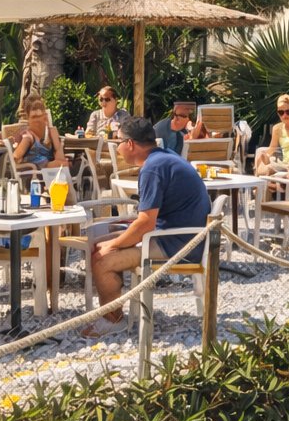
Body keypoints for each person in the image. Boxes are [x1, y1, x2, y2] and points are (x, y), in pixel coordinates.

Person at [82, 115, 209, 338]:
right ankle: (113, 308)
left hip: (178, 245)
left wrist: (113, 245)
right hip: (182, 235)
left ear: (130, 144)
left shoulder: (152, 169)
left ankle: (113, 321)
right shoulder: (164, 156)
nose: (116, 146)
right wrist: (113, 240)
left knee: (101, 259)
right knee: (98, 242)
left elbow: (145, 223)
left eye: (117, 141)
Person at [12, 95, 67, 169]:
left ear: (44, 116)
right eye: (34, 117)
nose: (37, 121)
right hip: (38, 172)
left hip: (49, 172)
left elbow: (60, 158)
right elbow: (16, 156)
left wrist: (52, 130)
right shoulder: (28, 136)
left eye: (39, 116)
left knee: (68, 164)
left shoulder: (49, 133)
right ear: (28, 119)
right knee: (66, 165)